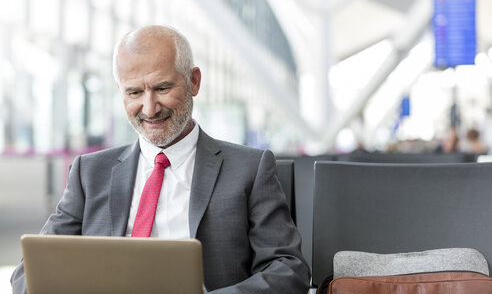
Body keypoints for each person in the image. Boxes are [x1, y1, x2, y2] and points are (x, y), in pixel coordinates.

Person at [11, 25, 310, 293]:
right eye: (134, 92)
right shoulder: (89, 173)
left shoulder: (249, 169)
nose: (149, 108)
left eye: (162, 88)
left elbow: (288, 269)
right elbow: (28, 272)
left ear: (193, 81)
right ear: (121, 93)